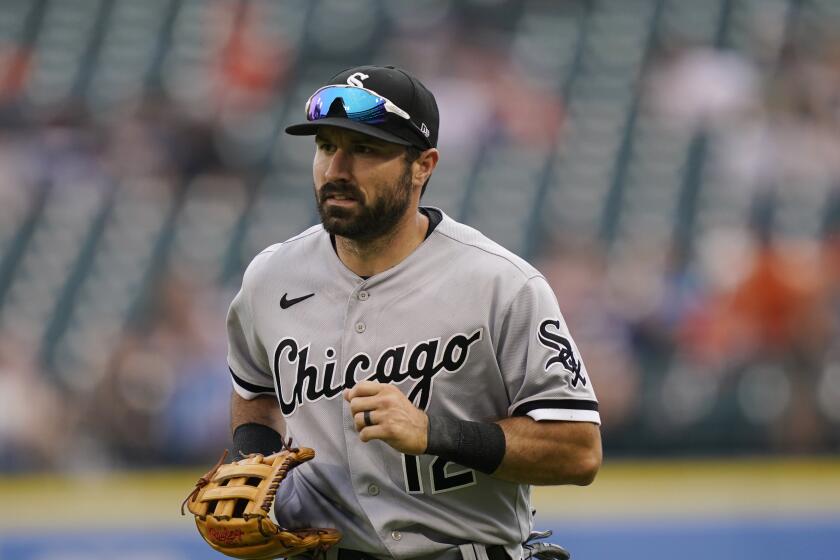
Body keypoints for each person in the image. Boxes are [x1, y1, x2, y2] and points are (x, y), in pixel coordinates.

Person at [226, 65, 602, 560]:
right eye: (326, 147)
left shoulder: (501, 284)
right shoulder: (271, 278)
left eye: (364, 150)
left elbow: (578, 451)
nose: (336, 169)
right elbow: (254, 394)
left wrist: (435, 433)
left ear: (423, 165)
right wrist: (248, 465)